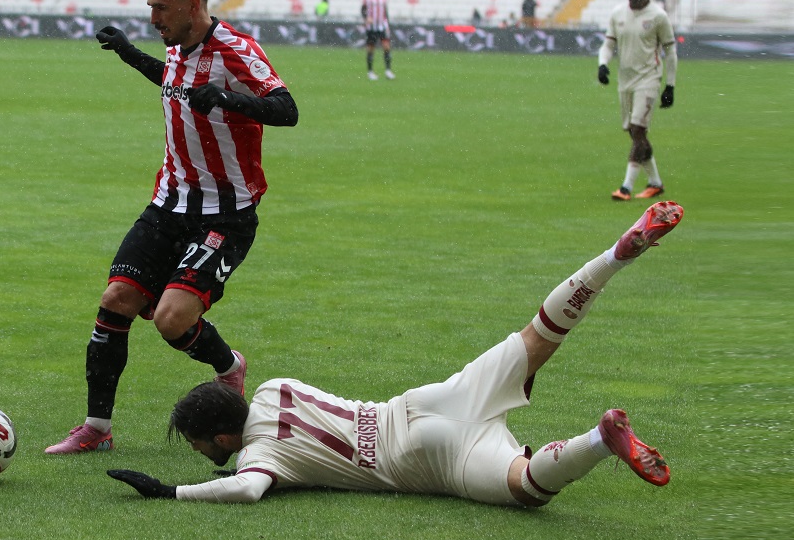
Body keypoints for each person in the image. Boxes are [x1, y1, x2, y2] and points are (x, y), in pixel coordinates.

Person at [107, 201, 683, 505]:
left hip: (421, 459)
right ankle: (615, 256)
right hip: (419, 403)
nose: (199, 450)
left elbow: (246, 486)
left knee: (526, 485)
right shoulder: (270, 388)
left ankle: (597, 441)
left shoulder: (263, 458)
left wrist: (170, 491)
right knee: (539, 336)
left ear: (225, 439)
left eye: (198, 442)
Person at [44, 0, 299, 455]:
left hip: (224, 214)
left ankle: (229, 368)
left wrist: (228, 100)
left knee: (170, 320)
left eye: (161, 8)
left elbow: (286, 109)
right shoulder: (178, 45)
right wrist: (129, 54)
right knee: (116, 300)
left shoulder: (236, 50)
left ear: (193, 4)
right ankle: (97, 428)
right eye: (150, 8)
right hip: (168, 203)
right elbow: (175, 82)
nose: (154, 18)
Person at [598, 0, 678, 201]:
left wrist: (669, 86)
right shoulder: (618, 14)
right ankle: (655, 183)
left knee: (639, 130)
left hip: (649, 79)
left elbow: (670, 51)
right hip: (626, 81)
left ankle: (626, 188)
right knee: (634, 133)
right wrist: (603, 64)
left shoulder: (658, 16)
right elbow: (608, 44)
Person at [361, 0, 395, 80]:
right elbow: (363, 10)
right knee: (371, 49)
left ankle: (388, 70)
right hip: (372, 27)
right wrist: (367, 17)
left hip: (382, 26)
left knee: (386, 47)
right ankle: (370, 72)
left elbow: (386, 12)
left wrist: (387, 24)